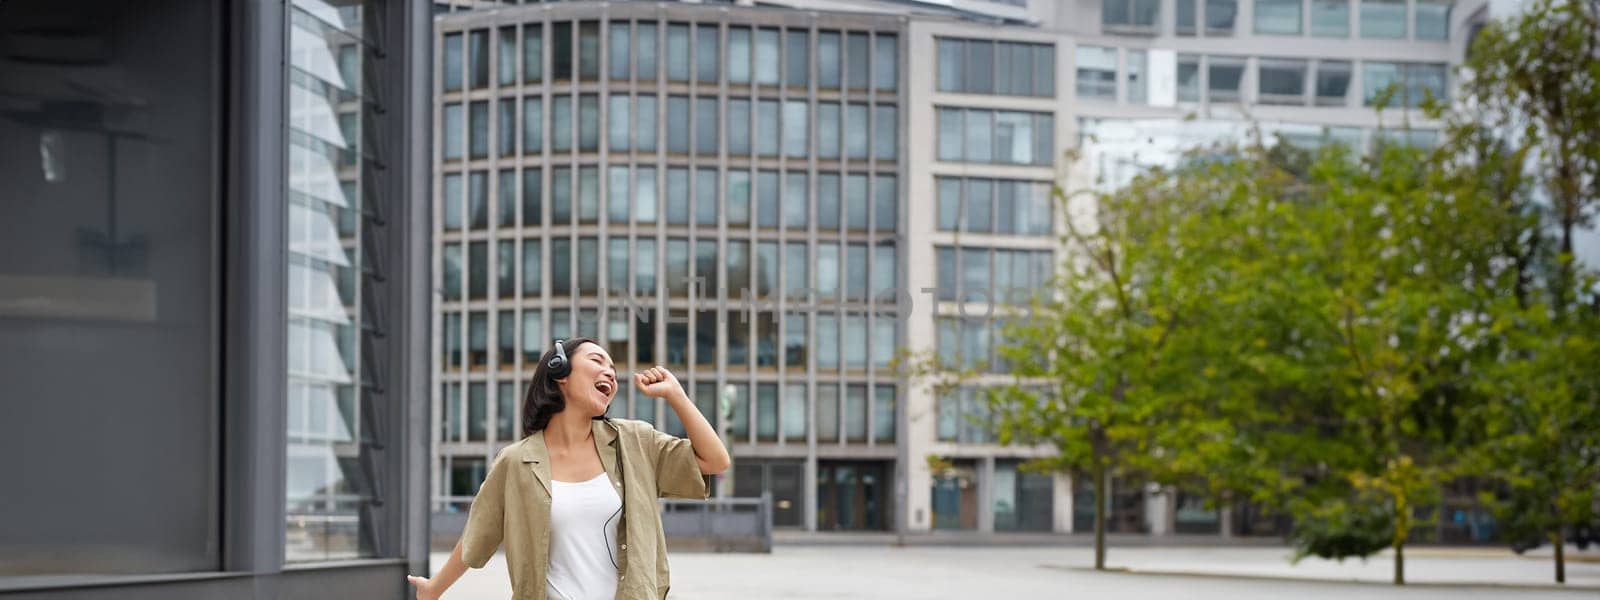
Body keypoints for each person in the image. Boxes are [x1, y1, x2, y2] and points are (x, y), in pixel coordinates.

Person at [408, 337, 731, 600]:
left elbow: (715, 461)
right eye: (597, 361)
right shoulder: (516, 461)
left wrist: (677, 396)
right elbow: (478, 533)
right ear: (560, 371)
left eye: (613, 369)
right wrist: (434, 589)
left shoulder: (635, 442)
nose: (610, 373)